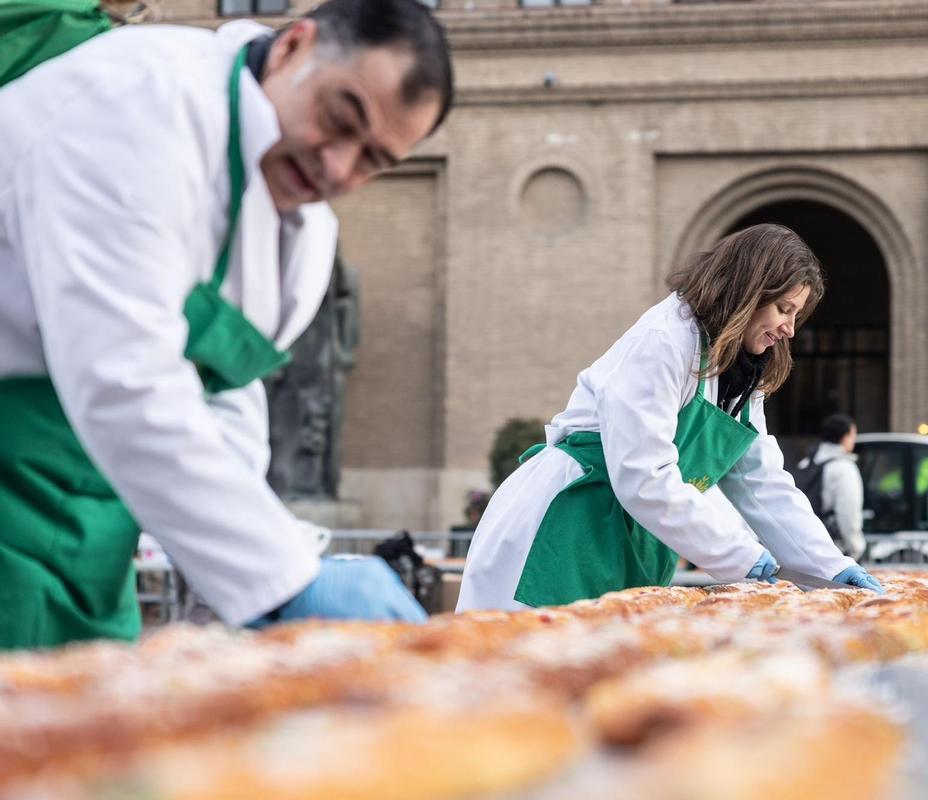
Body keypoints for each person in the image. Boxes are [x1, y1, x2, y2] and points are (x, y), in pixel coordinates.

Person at [0, 0, 454, 648]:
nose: (336, 166)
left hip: (90, 508)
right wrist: (282, 577)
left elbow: (227, 391)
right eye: (339, 117)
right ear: (297, 44)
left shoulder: (302, 228)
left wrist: (244, 581)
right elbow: (125, 378)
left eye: (372, 160)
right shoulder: (134, 107)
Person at [458, 224, 883, 613]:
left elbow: (761, 482)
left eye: (796, 315)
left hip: (631, 536)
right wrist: (743, 558)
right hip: (569, 528)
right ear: (748, 290)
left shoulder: (738, 372)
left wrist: (829, 566)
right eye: (783, 309)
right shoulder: (664, 341)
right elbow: (643, 476)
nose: (790, 329)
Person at [794, 414, 866, 560]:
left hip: (803, 544)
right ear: (845, 437)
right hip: (834, 550)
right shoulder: (844, 468)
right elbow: (848, 513)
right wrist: (855, 548)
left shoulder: (806, 463)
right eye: (853, 435)